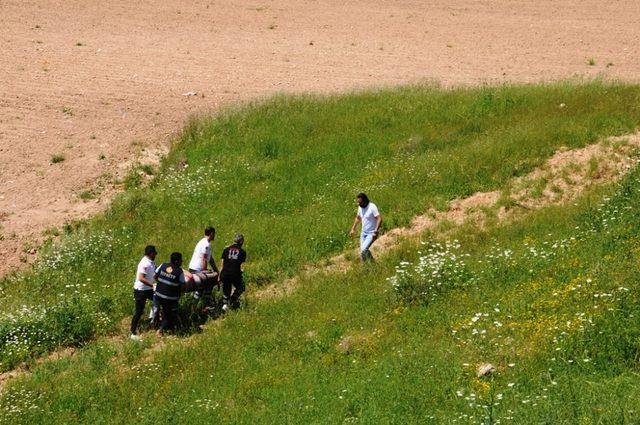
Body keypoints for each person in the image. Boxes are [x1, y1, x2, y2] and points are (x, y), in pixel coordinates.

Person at [154, 252, 192, 336]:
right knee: (171, 314)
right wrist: (179, 292)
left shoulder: (163, 265)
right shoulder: (179, 271)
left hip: (158, 295)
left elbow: (155, 276)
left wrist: (163, 284)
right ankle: (161, 330)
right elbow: (183, 286)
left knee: (162, 311)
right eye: (181, 260)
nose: (182, 261)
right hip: (169, 298)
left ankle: (155, 323)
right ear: (177, 261)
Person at [188, 226, 219, 310]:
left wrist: (216, 269)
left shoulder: (203, 241)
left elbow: (210, 258)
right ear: (211, 233)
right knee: (211, 281)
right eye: (214, 234)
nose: (215, 236)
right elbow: (204, 258)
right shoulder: (206, 244)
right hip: (197, 269)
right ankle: (206, 303)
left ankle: (193, 306)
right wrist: (205, 271)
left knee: (200, 288)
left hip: (193, 268)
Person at [130, 245, 157, 340]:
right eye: (155, 253)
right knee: (139, 311)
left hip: (148, 289)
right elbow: (141, 278)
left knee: (157, 301)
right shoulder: (144, 263)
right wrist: (152, 285)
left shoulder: (151, 261)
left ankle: (152, 320)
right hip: (141, 290)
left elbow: (154, 272)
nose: (156, 255)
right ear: (151, 254)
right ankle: (132, 332)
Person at [349, 193, 382, 262]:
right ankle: (366, 267)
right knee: (362, 252)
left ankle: (373, 264)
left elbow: (379, 218)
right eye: (358, 202)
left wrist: (376, 230)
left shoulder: (372, 207)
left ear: (365, 201)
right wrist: (353, 229)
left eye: (360, 202)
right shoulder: (360, 207)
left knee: (364, 250)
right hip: (363, 233)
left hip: (371, 233)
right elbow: (358, 218)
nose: (359, 204)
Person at [219, 234, 247, 311]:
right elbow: (241, 266)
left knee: (226, 291)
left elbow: (222, 264)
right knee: (241, 287)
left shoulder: (226, 249)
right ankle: (232, 301)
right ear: (241, 241)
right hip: (235, 274)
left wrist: (219, 275)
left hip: (224, 274)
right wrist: (241, 271)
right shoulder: (242, 252)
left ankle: (224, 307)